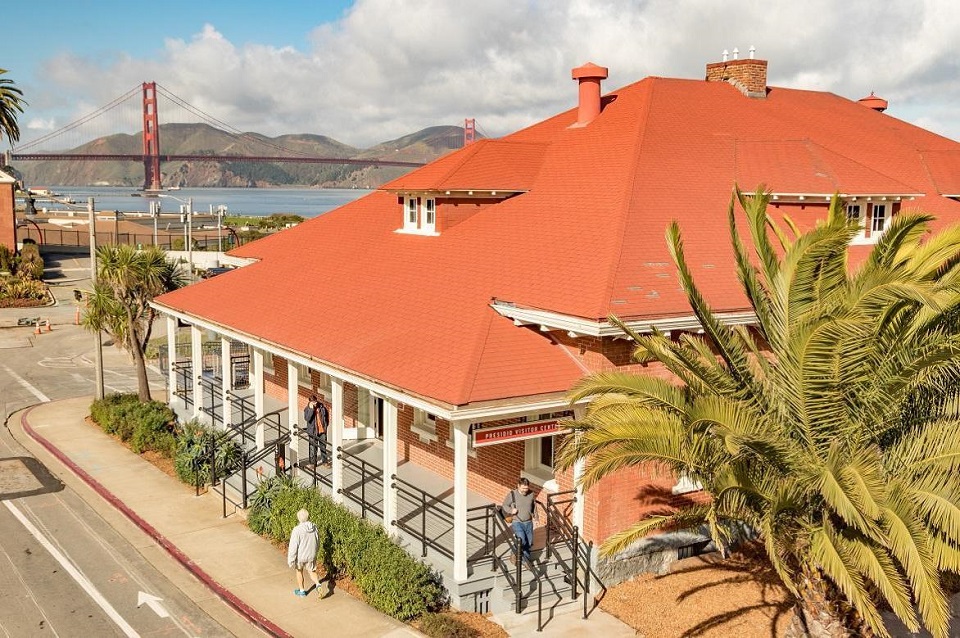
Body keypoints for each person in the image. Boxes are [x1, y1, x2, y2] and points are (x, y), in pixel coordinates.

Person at [502, 478, 537, 564]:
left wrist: (536, 518)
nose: (525, 490)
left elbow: (534, 507)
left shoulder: (531, 494)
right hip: (517, 522)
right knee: (522, 540)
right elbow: (505, 505)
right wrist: (511, 510)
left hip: (529, 522)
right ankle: (517, 555)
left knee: (529, 542)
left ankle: (526, 560)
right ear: (518, 486)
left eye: (526, 488)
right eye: (523, 488)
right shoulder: (512, 494)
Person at [287, 509, 321, 598]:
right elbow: (318, 541)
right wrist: (316, 551)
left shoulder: (297, 530)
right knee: (312, 571)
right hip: (311, 554)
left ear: (299, 518)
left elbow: (293, 546)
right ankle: (318, 584)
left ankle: (302, 591)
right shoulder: (314, 528)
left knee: (299, 571)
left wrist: (291, 559)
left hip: (301, 556)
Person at [303, 395, 329, 466]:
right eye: (313, 402)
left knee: (323, 447)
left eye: (315, 401)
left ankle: (325, 462)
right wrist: (311, 409)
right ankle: (312, 463)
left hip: (322, 431)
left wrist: (325, 426)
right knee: (312, 448)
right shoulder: (307, 409)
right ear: (310, 402)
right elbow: (307, 418)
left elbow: (326, 417)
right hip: (313, 431)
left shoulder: (322, 407)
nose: (314, 403)